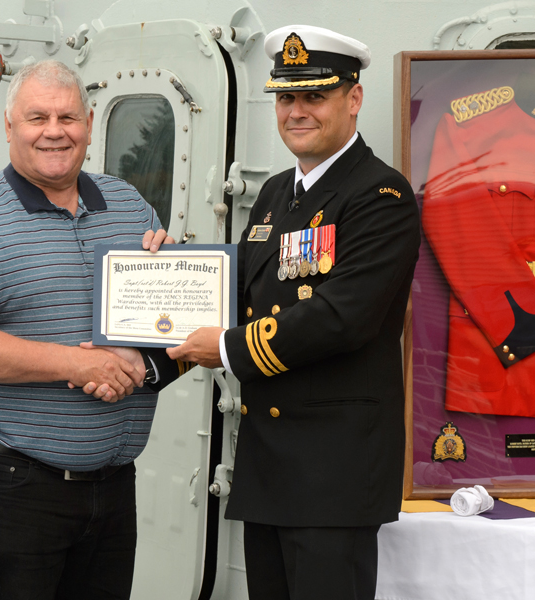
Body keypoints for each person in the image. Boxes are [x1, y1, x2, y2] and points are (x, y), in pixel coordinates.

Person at [163, 25, 421, 600]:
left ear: (353, 99)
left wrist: (227, 348)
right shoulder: (279, 192)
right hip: (272, 467)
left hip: (335, 473)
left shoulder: (382, 197)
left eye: (314, 96)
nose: (296, 112)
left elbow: (342, 316)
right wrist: (165, 275)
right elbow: (242, 293)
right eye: (286, 98)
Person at [0, 59, 172, 600]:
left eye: (67, 117)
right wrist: (81, 365)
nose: (54, 131)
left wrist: (143, 359)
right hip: (19, 486)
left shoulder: (130, 207)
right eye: (37, 117)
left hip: (114, 485)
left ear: (88, 120)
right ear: (9, 127)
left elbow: (175, 320)